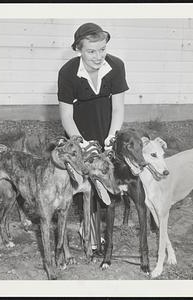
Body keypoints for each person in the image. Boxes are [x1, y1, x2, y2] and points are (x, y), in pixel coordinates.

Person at [57, 22, 129, 252]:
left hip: (107, 126)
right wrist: (82, 144)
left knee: (106, 178)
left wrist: (112, 137)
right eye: (91, 51)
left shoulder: (116, 66)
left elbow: (118, 108)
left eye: (102, 49)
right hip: (79, 130)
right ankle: (87, 227)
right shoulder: (67, 73)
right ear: (78, 49)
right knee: (85, 180)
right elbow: (66, 115)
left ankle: (103, 228)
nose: (99, 57)